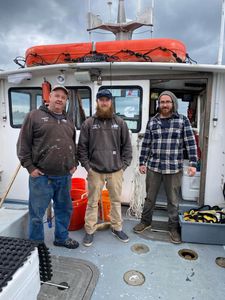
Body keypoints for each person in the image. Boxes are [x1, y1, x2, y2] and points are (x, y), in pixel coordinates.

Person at [17, 85, 79, 249]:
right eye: (56, 95)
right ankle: (36, 244)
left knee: (64, 211)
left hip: (64, 176)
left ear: (66, 101)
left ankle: (61, 238)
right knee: (37, 214)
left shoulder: (68, 121)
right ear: (49, 97)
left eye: (63, 97)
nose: (59, 99)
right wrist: (30, 168)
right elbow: (23, 145)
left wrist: (74, 164)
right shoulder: (34, 116)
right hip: (42, 177)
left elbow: (74, 145)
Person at [133, 91, 198, 243]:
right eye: (162, 102)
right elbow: (146, 144)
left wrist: (193, 163)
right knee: (149, 198)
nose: (164, 105)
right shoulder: (152, 121)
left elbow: (190, 143)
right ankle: (145, 222)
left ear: (173, 103)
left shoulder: (182, 121)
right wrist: (142, 162)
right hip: (154, 167)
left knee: (173, 200)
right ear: (159, 104)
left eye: (167, 102)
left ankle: (173, 228)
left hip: (173, 168)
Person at [78, 89, 132, 247]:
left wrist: (123, 166)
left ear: (111, 102)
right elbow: (82, 148)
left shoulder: (120, 123)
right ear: (97, 102)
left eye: (107, 100)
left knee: (116, 201)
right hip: (95, 171)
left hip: (115, 171)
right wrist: (88, 168)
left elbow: (127, 147)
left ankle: (117, 227)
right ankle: (89, 230)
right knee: (92, 202)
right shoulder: (88, 123)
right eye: (101, 99)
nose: (104, 102)